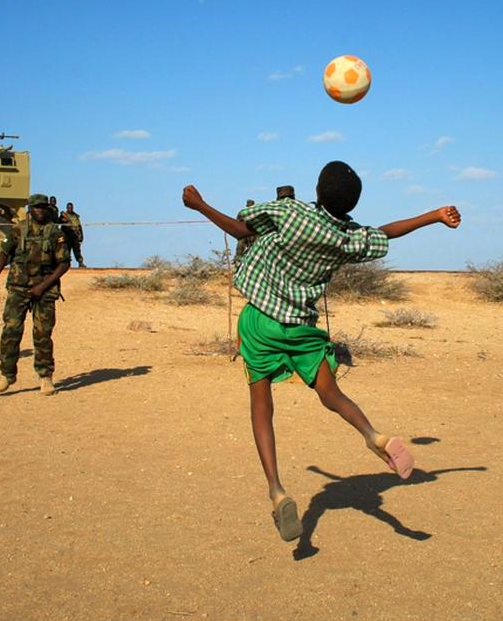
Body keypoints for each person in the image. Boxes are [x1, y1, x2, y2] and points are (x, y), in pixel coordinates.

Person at [182, 160, 461, 542]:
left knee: (261, 406)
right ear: (351, 205)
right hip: (302, 330)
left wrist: (199, 204)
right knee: (331, 393)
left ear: (316, 190)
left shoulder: (289, 213)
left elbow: (238, 227)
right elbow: (386, 232)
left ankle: (277, 490)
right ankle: (373, 434)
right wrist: (433, 215)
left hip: (260, 323)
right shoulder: (348, 238)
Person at [0, 194, 71, 396]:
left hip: (45, 290)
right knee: (10, 331)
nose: (40, 210)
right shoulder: (17, 230)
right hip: (18, 287)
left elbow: (64, 263)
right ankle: (6, 375)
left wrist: (43, 286)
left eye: (42, 207)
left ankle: (45, 377)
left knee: (42, 334)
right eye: (36, 207)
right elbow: (4, 255)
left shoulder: (55, 233)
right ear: (30, 209)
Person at [59, 202, 86, 268]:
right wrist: (62, 218)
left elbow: (79, 226)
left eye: (71, 207)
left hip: (75, 236)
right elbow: (59, 222)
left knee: (77, 250)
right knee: (66, 251)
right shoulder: (64, 215)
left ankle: (80, 262)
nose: (70, 209)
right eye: (69, 208)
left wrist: (81, 236)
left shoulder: (75, 216)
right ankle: (67, 264)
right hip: (67, 235)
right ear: (67, 208)